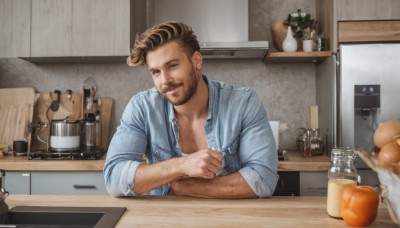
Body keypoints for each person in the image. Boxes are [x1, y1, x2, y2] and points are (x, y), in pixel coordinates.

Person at [103, 21, 278, 198]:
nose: (165, 80)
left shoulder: (244, 102)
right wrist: (182, 165)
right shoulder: (142, 107)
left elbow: (263, 179)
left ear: (196, 61)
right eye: (156, 72)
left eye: (172, 66)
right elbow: (114, 178)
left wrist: (181, 187)